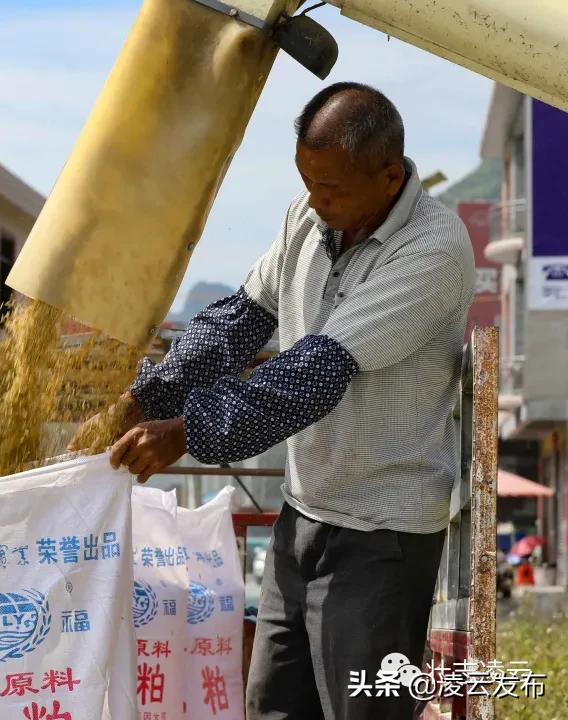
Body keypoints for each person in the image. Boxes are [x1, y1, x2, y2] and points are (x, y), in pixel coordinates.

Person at [92, 83, 476, 719]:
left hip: (382, 533)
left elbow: (313, 373)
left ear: (388, 177)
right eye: (308, 182)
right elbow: (243, 317)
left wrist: (186, 430)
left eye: (333, 189)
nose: (316, 202)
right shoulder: (310, 214)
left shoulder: (432, 250)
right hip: (302, 516)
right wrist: (146, 396)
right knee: (273, 702)